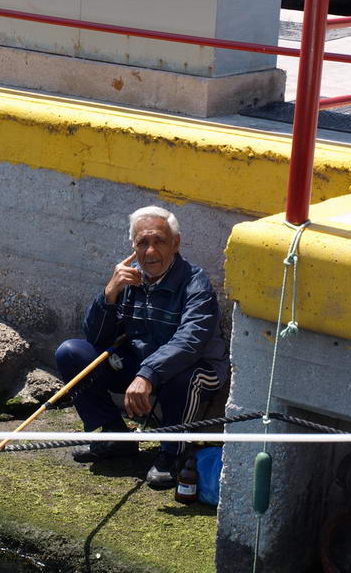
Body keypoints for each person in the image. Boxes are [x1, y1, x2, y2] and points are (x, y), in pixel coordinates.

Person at [55, 206, 229, 487]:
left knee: (183, 377)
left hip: (197, 368)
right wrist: (109, 294)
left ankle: (172, 453)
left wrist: (147, 374)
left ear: (176, 243)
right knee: (72, 353)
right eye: (142, 243)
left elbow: (190, 341)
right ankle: (115, 436)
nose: (150, 252)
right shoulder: (129, 278)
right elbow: (96, 338)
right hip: (142, 364)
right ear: (133, 247)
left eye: (159, 241)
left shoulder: (196, 283)